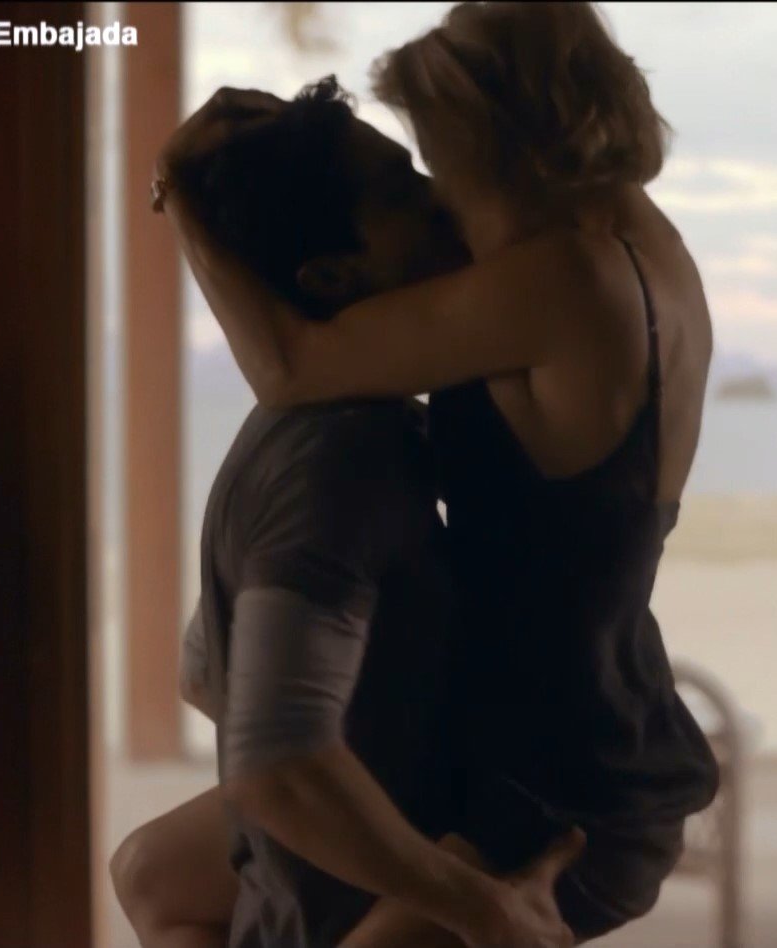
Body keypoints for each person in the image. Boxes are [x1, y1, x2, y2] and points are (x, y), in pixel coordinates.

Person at [155, 2, 721, 942]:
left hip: (555, 782)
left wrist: (181, 196)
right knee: (157, 875)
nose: (438, 193)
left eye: (439, 160)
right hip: (561, 719)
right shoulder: (639, 245)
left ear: (501, 145)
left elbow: (292, 367)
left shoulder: (561, 279)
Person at [111, 77, 580, 948]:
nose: (440, 196)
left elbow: (202, 675)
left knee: (148, 871)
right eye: (402, 190)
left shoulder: (291, 422)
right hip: (368, 890)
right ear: (333, 276)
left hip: (317, 876)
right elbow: (279, 768)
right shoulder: (346, 457)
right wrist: (478, 906)